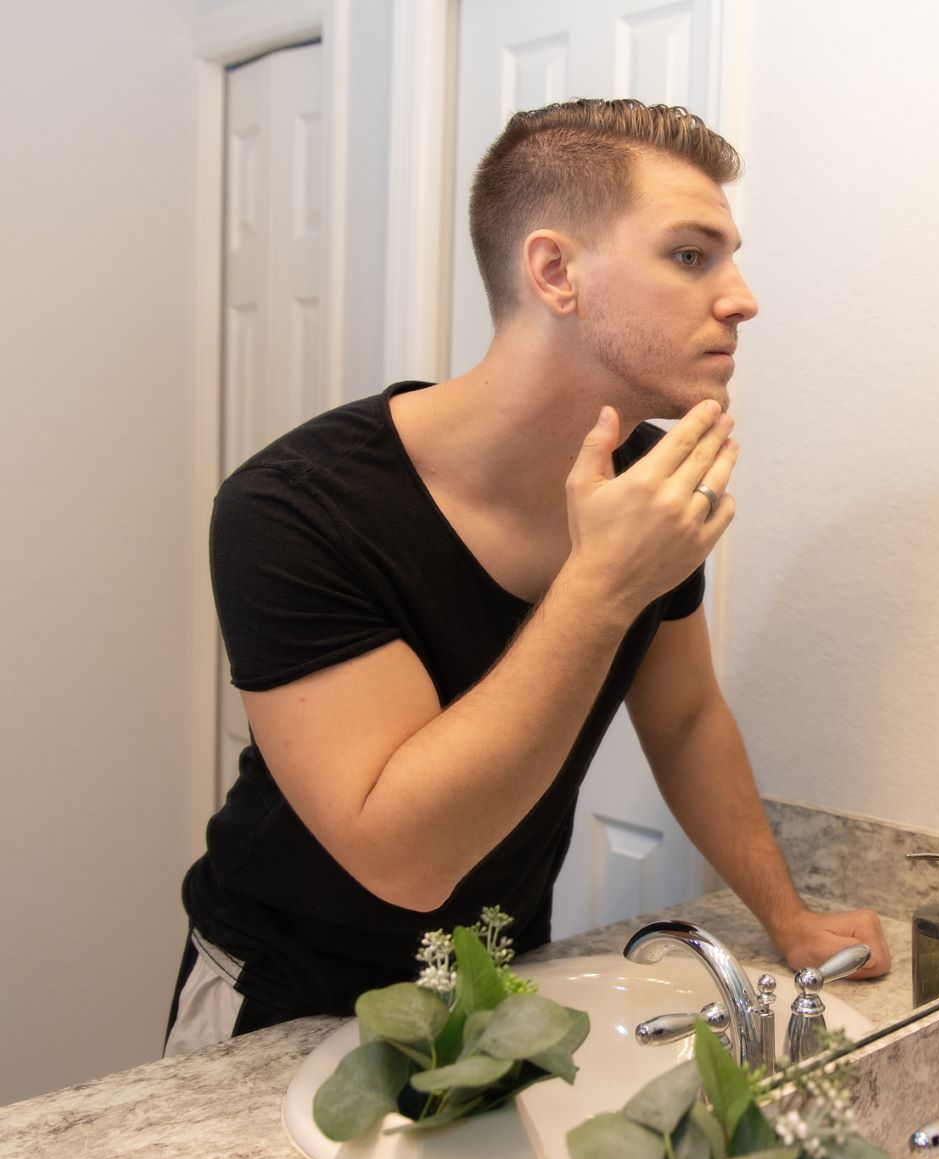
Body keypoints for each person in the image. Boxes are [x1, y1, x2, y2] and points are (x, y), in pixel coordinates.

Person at [169, 99, 889, 1054]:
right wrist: (599, 585)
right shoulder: (293, 509)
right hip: (281, 1000)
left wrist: (788, 919)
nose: (742, 296)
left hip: (498, 981)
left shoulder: (641, 479)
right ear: (555, 272)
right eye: (691, 255)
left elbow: (683, 718)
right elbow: (406, 858)